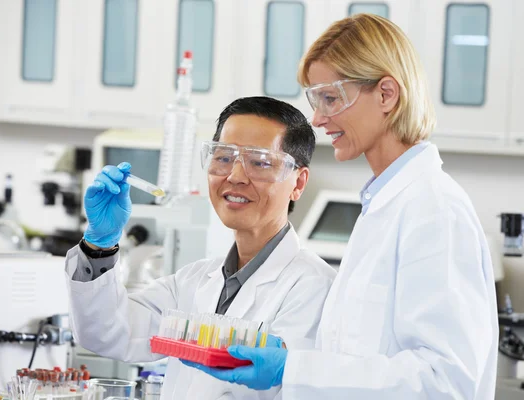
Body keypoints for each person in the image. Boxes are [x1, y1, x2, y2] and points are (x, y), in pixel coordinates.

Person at [183, 14, 499, 399]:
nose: (318, 119)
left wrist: (293, 369)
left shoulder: (433, 209)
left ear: (386, 94)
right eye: (315, 101)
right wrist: (300, 367)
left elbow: (444, 381)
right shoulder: (384, 205)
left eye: (330, 98)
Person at [64, 96, 337, 400]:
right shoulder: (194, 280)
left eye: (259, 162)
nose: (235, 176)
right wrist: (99, 246)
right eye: (223, 157)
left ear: (298, 183)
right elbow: (106, 333)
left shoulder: (314, 288)